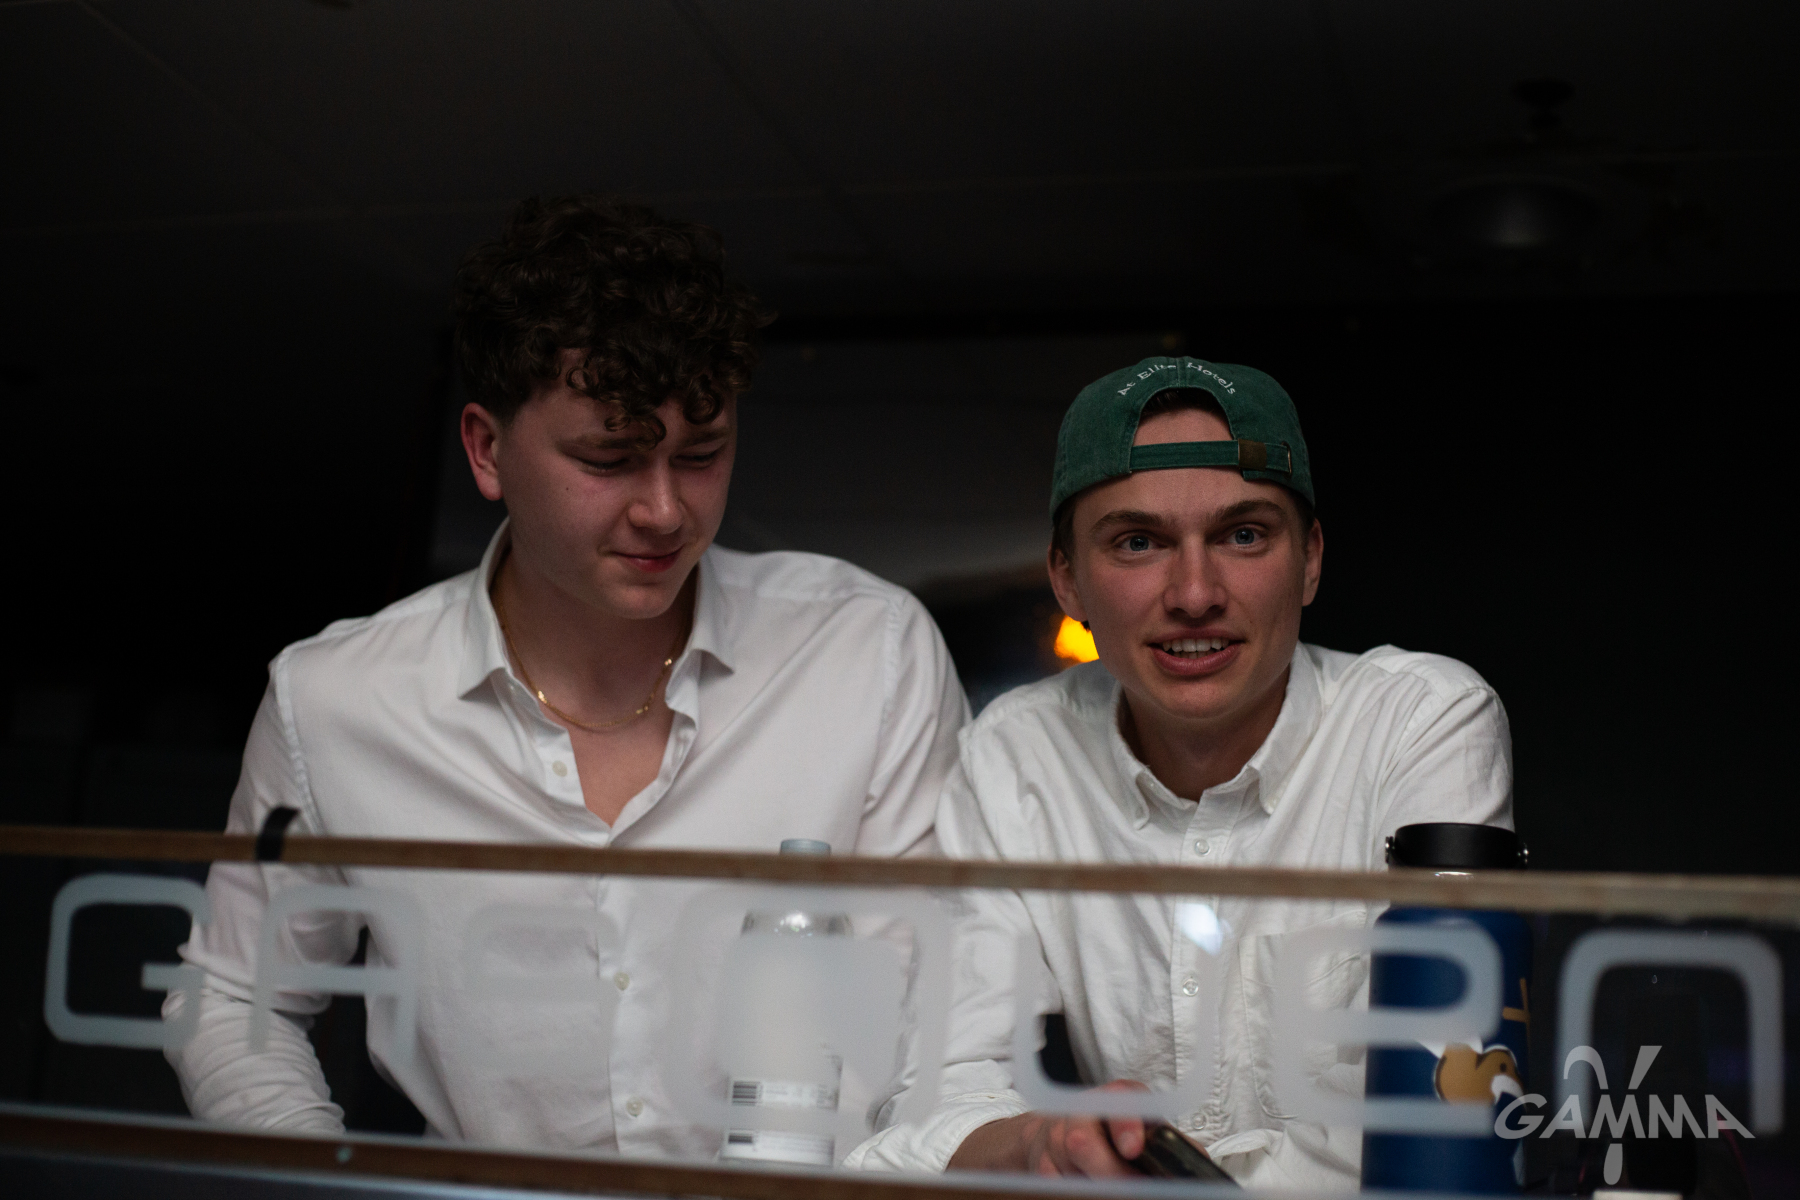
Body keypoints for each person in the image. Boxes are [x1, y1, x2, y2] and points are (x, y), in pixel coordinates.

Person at [165, 195, 968, 1157]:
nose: (664, 510)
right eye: (609, 458)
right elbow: (231, 1000)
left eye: (702, 455)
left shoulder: (867, 652)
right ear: (487, 450)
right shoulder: (335, 698)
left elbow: (935, 1021)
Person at [847, 357, 1512, 1188]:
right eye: (1138, 542)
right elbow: (938, 1093)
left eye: (1243, 535)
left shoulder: (1421, 721)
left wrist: (1146, 1177)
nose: (1195, 593)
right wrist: (1043, 1143)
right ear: (1067, 579)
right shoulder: (1015, 756)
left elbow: (1432, 1114)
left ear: (1310, 559)